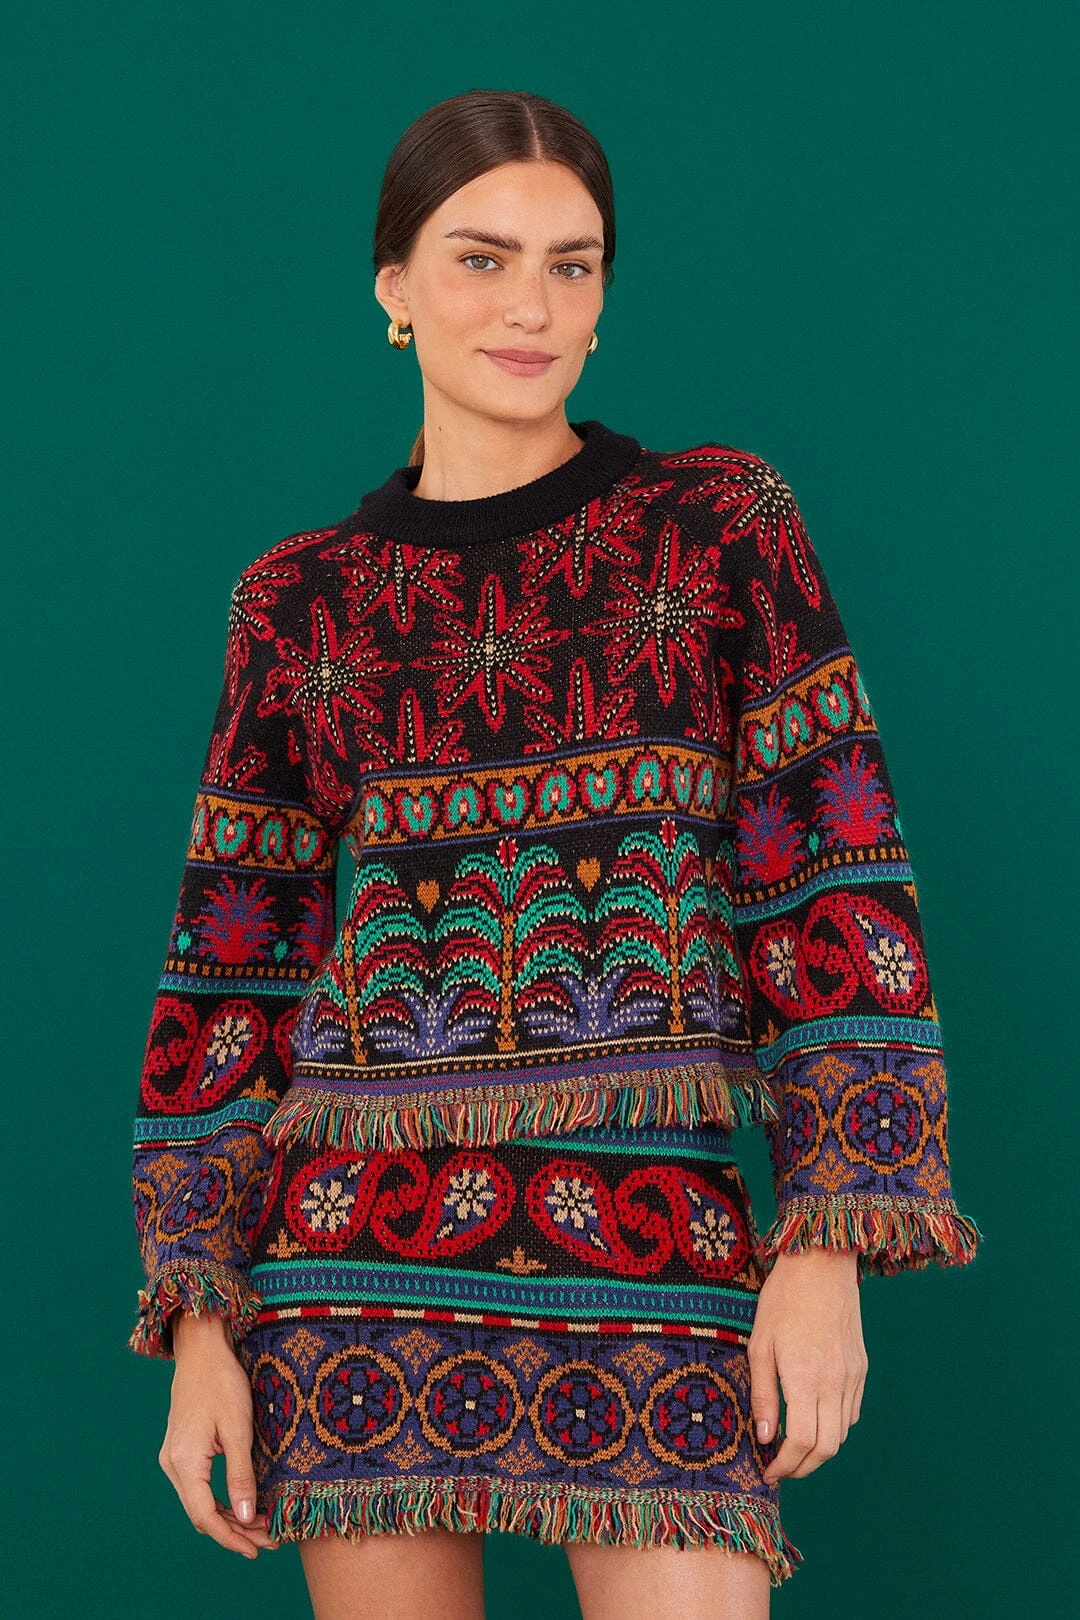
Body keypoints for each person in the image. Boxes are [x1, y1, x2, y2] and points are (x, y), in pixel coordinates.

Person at [130, 89, 982, 1620]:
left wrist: (829, 1241)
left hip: (655, 1235)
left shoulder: (718, 527)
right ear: (393, 287)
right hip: (351, 1265)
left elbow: (832, 879)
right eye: (482, 258)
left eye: (571, 265)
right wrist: (201, 1323)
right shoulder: (299, 602)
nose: (530, 306)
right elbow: (232, 972)